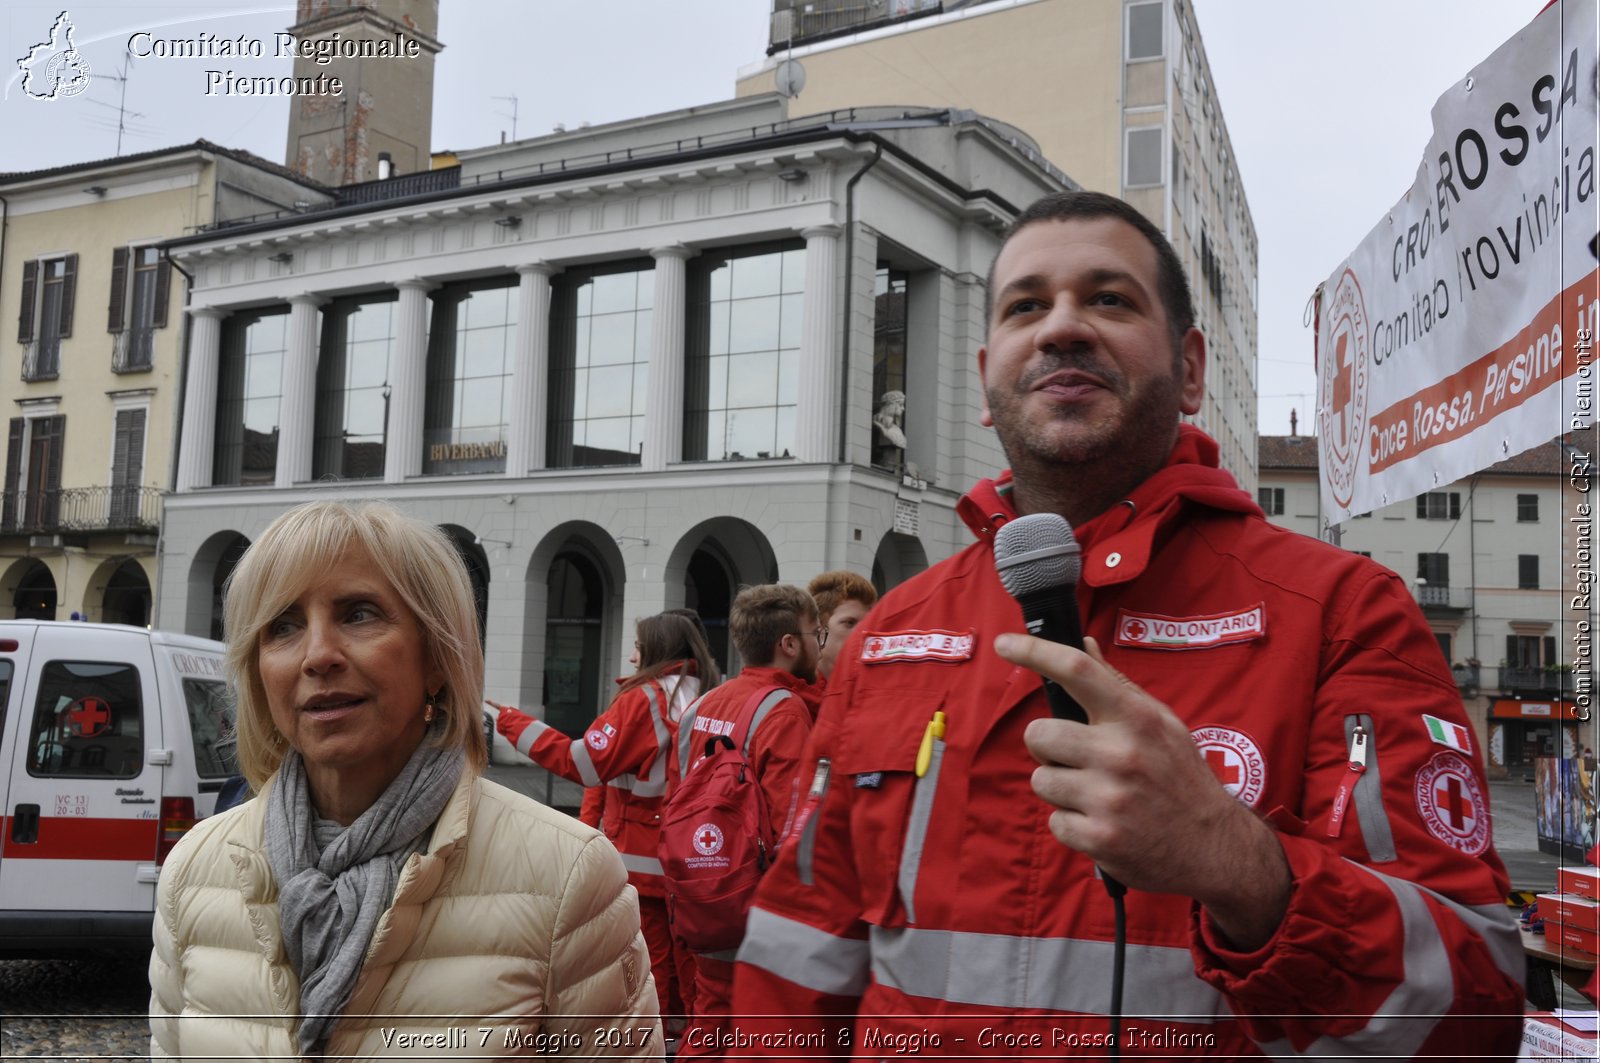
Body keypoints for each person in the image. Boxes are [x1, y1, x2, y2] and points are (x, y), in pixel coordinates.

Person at [733, 191, 1524, 1057]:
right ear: (987, 379)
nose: (1062, 326)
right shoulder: (891, 630)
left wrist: (1239, 864)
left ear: (1190, 370)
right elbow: (794, 958)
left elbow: (1472, 1017)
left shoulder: (1343, 612)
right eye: (1027, 304)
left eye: (1109, 298)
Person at [148, 500, 660, 1058]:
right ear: (258, 672)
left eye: (358, 613)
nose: (318, 655)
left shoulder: (567, 875)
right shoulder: (193, 873)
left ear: (437, 657)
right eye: (284, 626)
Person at [491, 610, 720, 1034]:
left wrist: (511, 722)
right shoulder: (711, 694)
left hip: (642, 858)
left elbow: (583, 763)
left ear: (656, 648)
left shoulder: (645, 700)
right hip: (699, 858)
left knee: (648, 972)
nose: (633, 657)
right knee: (695, 978)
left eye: (637, 646)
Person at [668, 583, 824, 1058]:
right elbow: (790, 826)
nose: (821, 644)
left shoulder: (702, 706)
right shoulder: (785, 710)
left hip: (698, 891)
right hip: (749, 903)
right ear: (789, 645)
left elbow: (680, 793)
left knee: (708, 1021)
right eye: (816, 633)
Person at [806, 570, 878, 682]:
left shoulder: (871, 689)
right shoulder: (793, 695)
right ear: (818, 630)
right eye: (850, 623)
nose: (863, 633)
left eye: (868, 624)